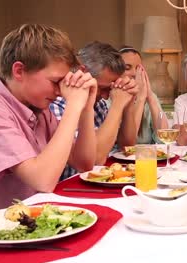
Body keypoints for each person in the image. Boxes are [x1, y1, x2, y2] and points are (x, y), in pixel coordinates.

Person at [0, 24, 96, 210]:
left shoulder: (38, 107)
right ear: (19, 71)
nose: (59, 92)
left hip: (36, 219)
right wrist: (73, 106)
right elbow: (43, 180)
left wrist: (86, 108)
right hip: (2, 231)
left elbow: (84, 163)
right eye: (55, 82)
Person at [51, 41, 139, 178]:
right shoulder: (57, 105)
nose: (105, 96)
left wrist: (128, 102)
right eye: (102, 88)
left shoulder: (98, 104)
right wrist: (117, 106)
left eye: (109, 89)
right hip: (67, 188)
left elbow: (127, 146)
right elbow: (95, 159)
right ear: (83, 72)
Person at [118, 46, 165, 143]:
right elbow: (127, 143)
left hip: (147, 156)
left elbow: (164, 138)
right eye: (127, 68)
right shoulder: (108, 99)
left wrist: (150, 97)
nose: (135, 73)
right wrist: (140, 98)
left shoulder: (149, 96)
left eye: (138, 68)